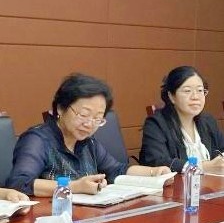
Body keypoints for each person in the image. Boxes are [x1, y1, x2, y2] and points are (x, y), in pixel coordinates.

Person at [5, 74, 171, 197]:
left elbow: (116, 169)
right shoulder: (37, 139)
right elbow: (19, 183)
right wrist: (74, 186)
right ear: (61, 108)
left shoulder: (88, 142)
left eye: (97, 118)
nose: (90, 124)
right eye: (83, 115)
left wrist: (153, 172)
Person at [140, 66, 224, 173]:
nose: (195, 97)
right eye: (187, 91)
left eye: (200, 90)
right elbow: (157, 162)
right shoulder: (156, 124)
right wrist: (202, 167)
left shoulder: (207, 121)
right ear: (171, 96)